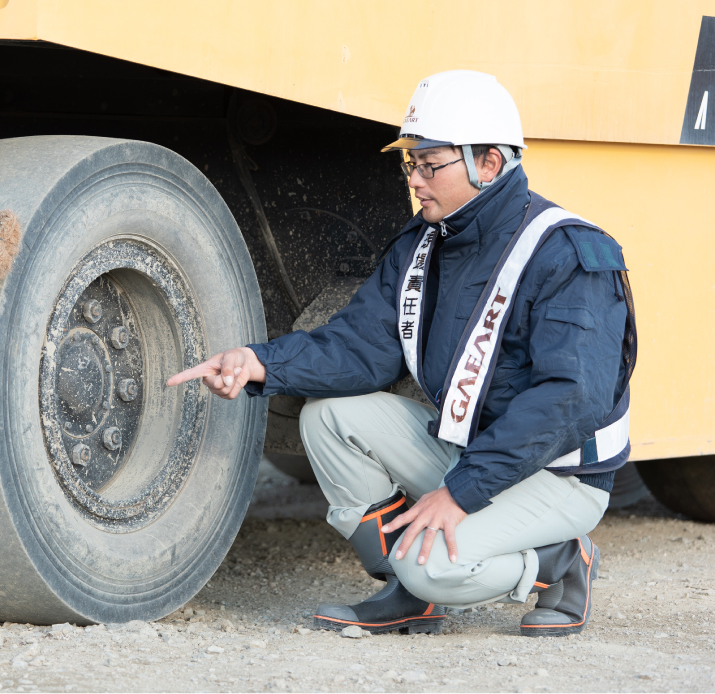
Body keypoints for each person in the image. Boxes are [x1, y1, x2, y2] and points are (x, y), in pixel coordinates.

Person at [168, 70, 635, 637]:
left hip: (558, 476)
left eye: (429, 164)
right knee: (331, 417)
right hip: (473, 453)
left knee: (430, 564)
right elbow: (361, 346)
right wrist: (260, 362)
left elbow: (568, 400)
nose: (414, 179)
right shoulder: (425, 242)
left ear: (488, 163)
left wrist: (459, 495)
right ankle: (411, 594)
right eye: (409, 163)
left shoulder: (570, 254)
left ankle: (558, 563)